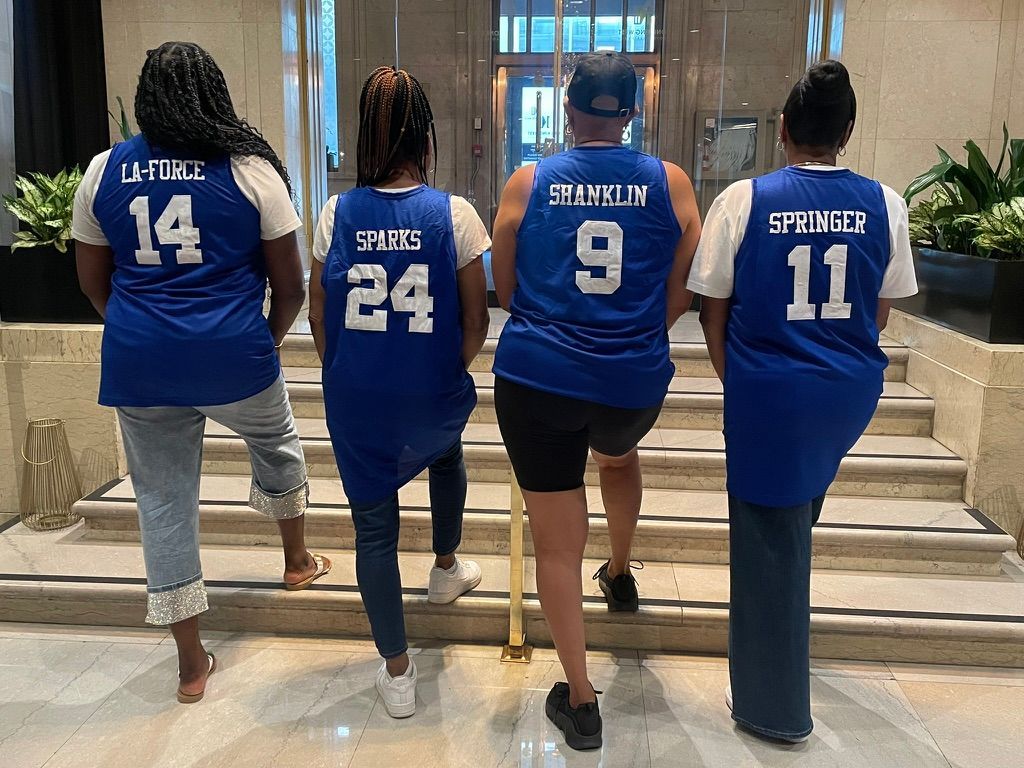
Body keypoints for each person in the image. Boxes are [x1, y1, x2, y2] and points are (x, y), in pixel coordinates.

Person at [72, 42, 331, 704]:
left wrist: (142, 333)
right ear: (215, 94)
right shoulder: (250, 170)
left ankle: (191, 665)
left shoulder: (104, 170)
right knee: (277, 443)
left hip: (140, 364)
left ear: (145, 98)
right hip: (232, 353)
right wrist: (264, 341)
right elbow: (291, 287)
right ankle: (297, 561)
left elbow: (94, 282)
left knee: (162, 501)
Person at [687, 60, 918, 743]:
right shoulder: (886, 203)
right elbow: (879, 310)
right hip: (846, 393)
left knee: (769, 546)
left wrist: (739, 382)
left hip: (770, 389)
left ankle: (774, 708)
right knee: (793, 518)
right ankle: (773, 676)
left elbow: (711, 309)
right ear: (847, 132)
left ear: (783, 128)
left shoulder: (744, 199)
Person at [490, 52, 701, 750]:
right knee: (617, 457)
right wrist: (633, 332)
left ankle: (581, 702)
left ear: (568, 110)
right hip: (631, 382)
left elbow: (506, 286)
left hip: (539, 379)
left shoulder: (530, 181)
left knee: (556, 546)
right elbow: (684, 287)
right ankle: (619, 571)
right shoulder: (671, 181)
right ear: (632, 113)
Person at [309, 66, 491, 719]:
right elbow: (477, 318)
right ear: (425, 135)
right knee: (446, 453)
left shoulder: (336, 213)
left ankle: (397, 672)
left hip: (357, 394)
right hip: (429, 389)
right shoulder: (454, 214)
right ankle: (445, 567)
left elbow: (318, 314)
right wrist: (443, 370)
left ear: (366, 134)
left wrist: (348, 373)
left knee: (373, 530)